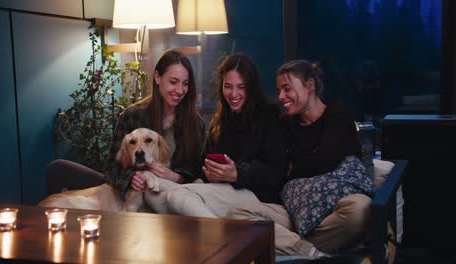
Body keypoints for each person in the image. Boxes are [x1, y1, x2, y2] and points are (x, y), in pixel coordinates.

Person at [227, 59, 373, 257]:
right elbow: (281, 172)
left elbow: (324, 160)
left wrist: (296, 169)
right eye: (279, 90)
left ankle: (292, 248)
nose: (281, 96)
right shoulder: (285, 124)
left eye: (287, 89)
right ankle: (311, 253)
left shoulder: (338, 113)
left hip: (337, 205)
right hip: (295, 210)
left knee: (360, 211)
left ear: (310, 86)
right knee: (236, 216)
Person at [46, 49, 205, 203]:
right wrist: (130, 179)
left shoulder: (195, 124)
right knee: (58, 169)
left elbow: (199, 173)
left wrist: (176, 177)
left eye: (185, 84)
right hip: (130, 192)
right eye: (173, 82)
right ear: (157, 77)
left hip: (169, 195)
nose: (180, 90)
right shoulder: (134, 115)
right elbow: (112, 166)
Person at [141, 53, 286, 217]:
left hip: (254, 193)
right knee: (152, 191)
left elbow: (276, 172)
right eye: (228, 86)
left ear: (251, 88)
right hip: (219, 189)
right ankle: (203, 219)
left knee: (177, 196)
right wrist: (210, 174)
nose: (233, 93)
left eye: (241, 87)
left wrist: (237, 174)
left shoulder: (268, 115)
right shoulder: (222, 119)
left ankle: (217, 234)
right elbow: (201, 166)